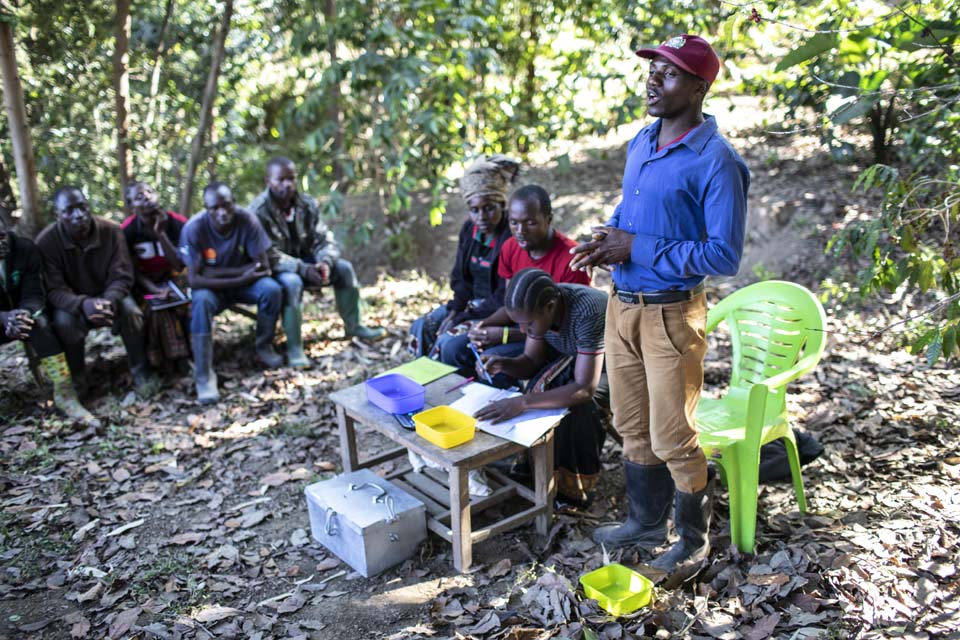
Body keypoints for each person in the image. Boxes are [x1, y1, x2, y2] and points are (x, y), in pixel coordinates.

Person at [570, 34, 749, 574]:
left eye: (668, 73)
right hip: (622, 305)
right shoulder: (643, 142)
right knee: (629, 422)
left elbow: (723, 254)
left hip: (672, 314)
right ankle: (645, 522)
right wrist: (610, 237)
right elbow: (632, 207)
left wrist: (637, 247)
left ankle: (693, 540)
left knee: (673, 433)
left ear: (699, 86)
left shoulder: (718, 162)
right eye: (652, 70)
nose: (653, 79)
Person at [475, 268, 608, 507]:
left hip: (623, 364)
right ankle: (536, 469)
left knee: (577, 406)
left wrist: (521, 402)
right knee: (541, 384)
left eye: (528, 324)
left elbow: (585, 387)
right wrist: (504, 365)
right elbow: (531, 361)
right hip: (580, 359)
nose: (523, 331)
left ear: (549, 308)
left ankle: (573, 490)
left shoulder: (588, 311)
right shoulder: (540, 310)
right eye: (519, 324)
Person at [248, 157, 385, 353]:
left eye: (292, 179)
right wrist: (301, 268)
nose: (287, 184)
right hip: (278, 269)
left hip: (309, 263)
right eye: (281, 180)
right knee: (292, 283)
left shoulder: (306, 204)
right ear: (268, 181)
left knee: (344, 269)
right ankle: (295, 348)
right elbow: (267, 255)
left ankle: (354, 326)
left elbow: (324, 238)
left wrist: (325, 262)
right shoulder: (257, 212)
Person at [466, 185, 590, 384]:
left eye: (530, 223)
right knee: (458, 347)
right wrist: (485, 326)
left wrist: (505, 335)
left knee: (495, 359)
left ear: (548, 219)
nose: (520, 231)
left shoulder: (572, 259)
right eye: (514, 223)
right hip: (527, 327)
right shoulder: (510, 247)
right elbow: (511, 305)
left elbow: (562, 332)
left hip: (556, 338)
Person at [36, 186, 151, 396]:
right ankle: (78, 380)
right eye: (69, 211)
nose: (78, 215)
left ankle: (141, 372)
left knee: (132, 313)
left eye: (82, 207)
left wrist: (107, 301)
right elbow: (53, 289)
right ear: (58, 215)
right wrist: (83, 304)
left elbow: (122, 275)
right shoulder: (46, 242)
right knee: (64, 323)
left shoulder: (111, 231)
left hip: (109, 296)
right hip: (72, 303)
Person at [179, 182, 282, 404]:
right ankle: (204, 375)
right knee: (201, 302)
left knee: (271, 290)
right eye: (215, 208)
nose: (222, 213)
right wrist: (240, 275)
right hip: (212, 289)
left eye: (226, 206)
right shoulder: (194, 228)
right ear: (206, 209)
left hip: (241, 285)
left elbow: (263, 266)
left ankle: (263, 346)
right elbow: (194, 279)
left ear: (234, 203)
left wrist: (217, 274)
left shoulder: (247, 220)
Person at [410, 155, 517, 365]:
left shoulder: (511, 236)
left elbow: (506, 296)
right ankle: (422, 380)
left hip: (497, 312)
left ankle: (458, 387)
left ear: (502, 205)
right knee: (421, 327)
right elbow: (460, 277)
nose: (481, 217)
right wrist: (455, 310)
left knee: (449, 343)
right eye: (474, 210)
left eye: (489, 208)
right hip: (469, 306)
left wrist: (464, 316)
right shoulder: (469, 230)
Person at [0, 218, 99, 426]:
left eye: (2, 236)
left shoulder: (24, 249)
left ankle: (65, 395)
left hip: (21, 317)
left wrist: (23, 314)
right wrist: (3, 318)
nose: (1, 243)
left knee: (42, 327)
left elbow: (34, 292)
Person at [121, 182, 191, 372]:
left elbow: (179, 264)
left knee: (187, 302)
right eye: (139, 197)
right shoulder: (127, 231)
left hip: (175, 276)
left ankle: (188, 356)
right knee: (154, 310)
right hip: (144, 282)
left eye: (150, 192)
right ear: (132, 206)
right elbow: (130, 269)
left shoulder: (177, 222)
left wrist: (160, 234)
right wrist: (154, 289)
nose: (146, 198)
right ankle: (162, 361)